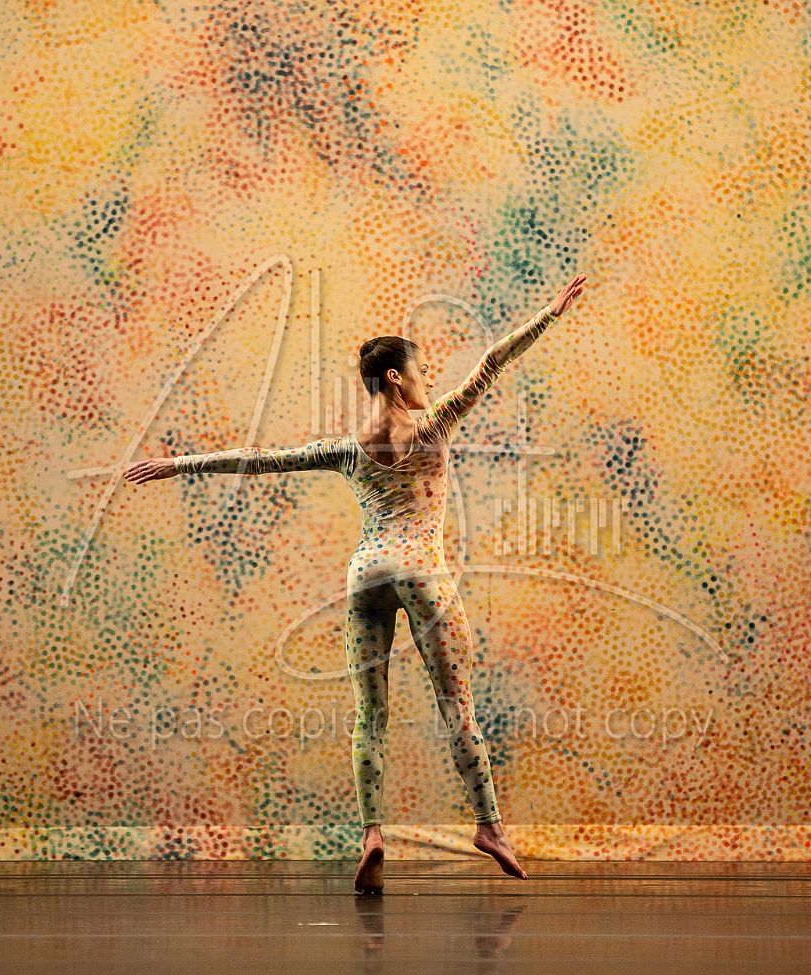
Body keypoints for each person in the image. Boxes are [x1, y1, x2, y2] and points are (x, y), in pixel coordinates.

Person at [126, 274, 589, 893]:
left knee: (369, 715)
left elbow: (262, 460)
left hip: (365, 574)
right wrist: (549, 315)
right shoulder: (434, 427)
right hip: (420, 571)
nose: (428, 380)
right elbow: (491, 363)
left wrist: (178, 464)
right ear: (395, 377)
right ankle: (489, 825)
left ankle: (372, 834)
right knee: (457, 706)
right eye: (420, 370)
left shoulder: (346, 449)